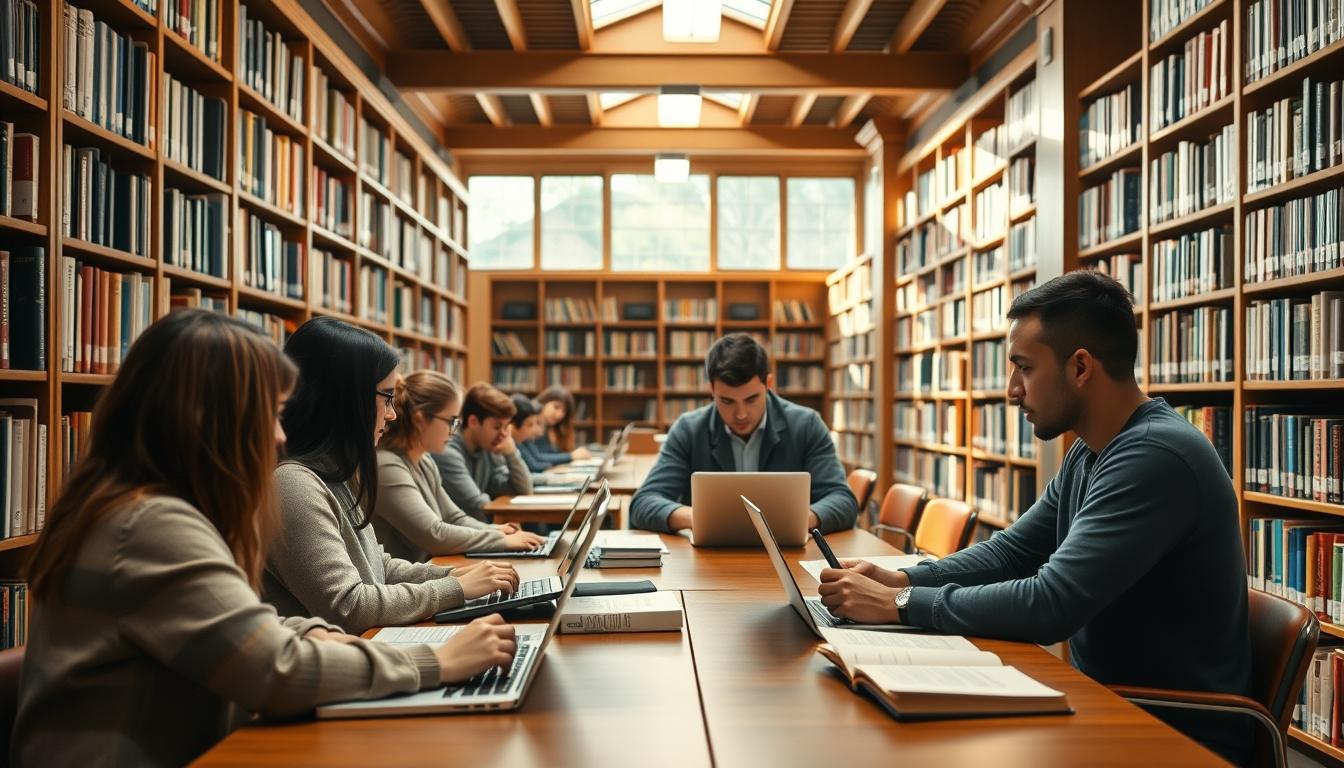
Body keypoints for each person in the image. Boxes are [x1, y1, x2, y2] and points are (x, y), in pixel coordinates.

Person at [13, 311, 516, 767]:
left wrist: (303, 630)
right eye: (270, 413)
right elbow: (277, 672)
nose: (279, 435)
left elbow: (221, 619)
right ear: (210, 418)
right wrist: (438, 661)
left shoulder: (148, 509)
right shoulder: (149, 526)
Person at [816, 270, 1251, 765]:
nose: (1011, 390)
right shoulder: (1092, 450)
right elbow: (1015, 552)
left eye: (1024, 368)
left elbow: (1051, 604)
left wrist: (899, 603)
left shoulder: (1154, 456)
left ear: (1080, 367)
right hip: (1107, 705)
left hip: (1172, 734)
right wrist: (903, 578)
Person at [263, 318, 519, 635]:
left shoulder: (336, 473)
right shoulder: (293, 485)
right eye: (386, 397)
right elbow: (349, 606)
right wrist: (456, 589)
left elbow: (378, 566)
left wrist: (456, 575)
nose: (392, 413)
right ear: (346, 398)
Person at [630, 333, 857, 534]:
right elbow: (643, 503)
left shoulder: (807, 425)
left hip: (791, 555)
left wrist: (798, 520)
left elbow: (843, 500)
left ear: (768, 384)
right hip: (709, 560)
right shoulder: (689, 429)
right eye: (727, 401)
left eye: (751, 399)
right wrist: (697, 518)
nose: (740, 414)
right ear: (711, 389)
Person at [373, 371, 546, 562]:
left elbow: (454, 517)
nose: (453, 431)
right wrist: (501, 540)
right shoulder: (387, 465)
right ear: (419, 419)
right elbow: (434, 535)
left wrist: (495, 530)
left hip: (431, 570)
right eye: (451, 421)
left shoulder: (424, 460)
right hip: (411, 577)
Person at [435, 383, 534, 521]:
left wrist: (511, 453)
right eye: (497, 427)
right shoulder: (447, 452)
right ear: (473, 422)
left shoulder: (488, 448)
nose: (503, 435)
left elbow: (523, 490)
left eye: (506, 427)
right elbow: (478, 505)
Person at [519, 386, 592, 470]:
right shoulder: (527, 422)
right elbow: (537, 459)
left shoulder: (550, 427)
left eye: (564, 411)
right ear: (543, 402)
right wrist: (571, 456)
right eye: (556, 407)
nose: (560, 415)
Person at [510, 394, 551, 473]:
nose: (533, 430)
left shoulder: (518, 441)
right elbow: (533, 466)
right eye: (529, 425)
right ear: (512, 424)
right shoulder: (511, 443)